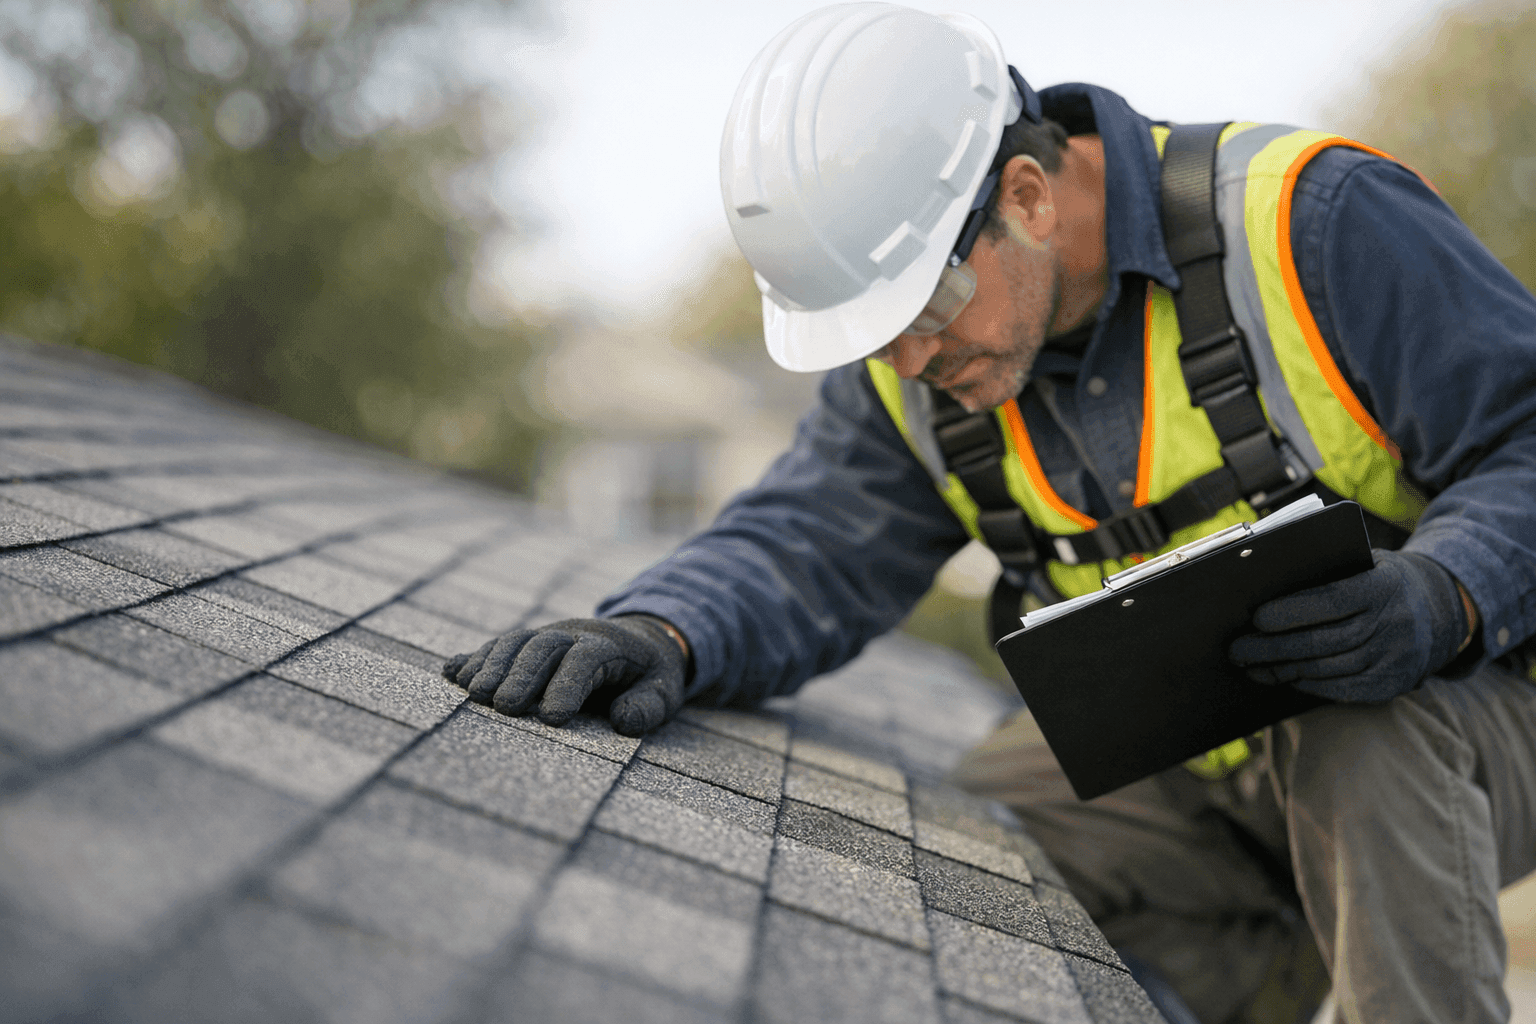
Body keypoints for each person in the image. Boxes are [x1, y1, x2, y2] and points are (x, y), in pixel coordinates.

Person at [442, 5, 1536, 1022]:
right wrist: (661, 628)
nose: (912, 359)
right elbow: (807, 541)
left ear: (1025, 195)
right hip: (1210, 768)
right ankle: (1278, 967)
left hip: (1472, 711)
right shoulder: (920, 376)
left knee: (1357, 720)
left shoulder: (1315, 222)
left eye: (925, 308)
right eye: (879, 336)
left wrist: (1444, 595)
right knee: (969, 841)